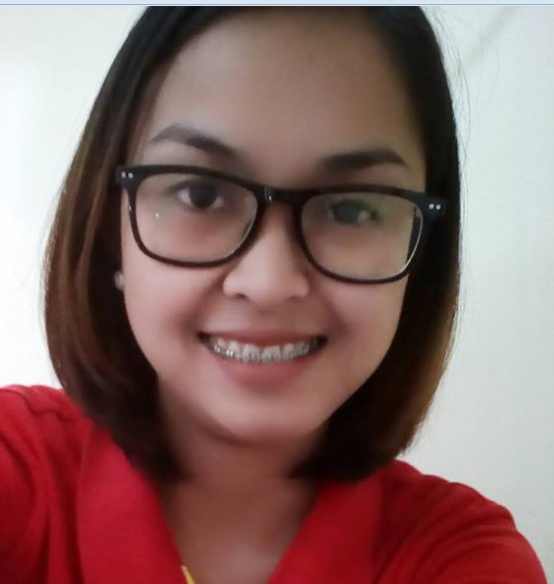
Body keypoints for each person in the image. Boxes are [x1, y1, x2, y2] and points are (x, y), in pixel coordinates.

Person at [0, 7, 547, 584]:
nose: (269, 283)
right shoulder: (19, 470)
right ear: (113, 234)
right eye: (201, 194)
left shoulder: (460, 558)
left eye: (351, 209)